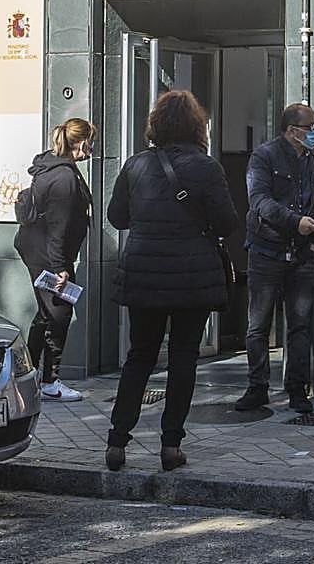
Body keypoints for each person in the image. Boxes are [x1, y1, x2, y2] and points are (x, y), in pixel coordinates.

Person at [105, 90, 237, 472]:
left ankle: (116, 442)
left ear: (156, 124)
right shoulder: (208, 168)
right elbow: (227, 222)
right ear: (197, 126)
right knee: (184, 359)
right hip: (192, 277)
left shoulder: (136, 166)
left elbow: (117, 218)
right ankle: (170, 446)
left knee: (140, 356)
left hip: (144, 273)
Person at [234, 103, 314, 415]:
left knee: (300, 325)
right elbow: (259, 201)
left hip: (302, 255)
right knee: (258, 324)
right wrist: (294, 222)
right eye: (310, 125)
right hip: (267, 251)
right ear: (292, 130)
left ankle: (297, 390)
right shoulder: (264, 156)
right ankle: (257, 387)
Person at [13, 118, 96, 402]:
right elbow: (58, 226)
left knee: (46, 313)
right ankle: (49, 381)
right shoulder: (63, 178)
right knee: (59, 314)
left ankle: (27, 375)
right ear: (83, 143)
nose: (92, 148)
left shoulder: (52, 167)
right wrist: (60, 268)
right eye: (91, 141)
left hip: (40, 251)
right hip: (47, 255)